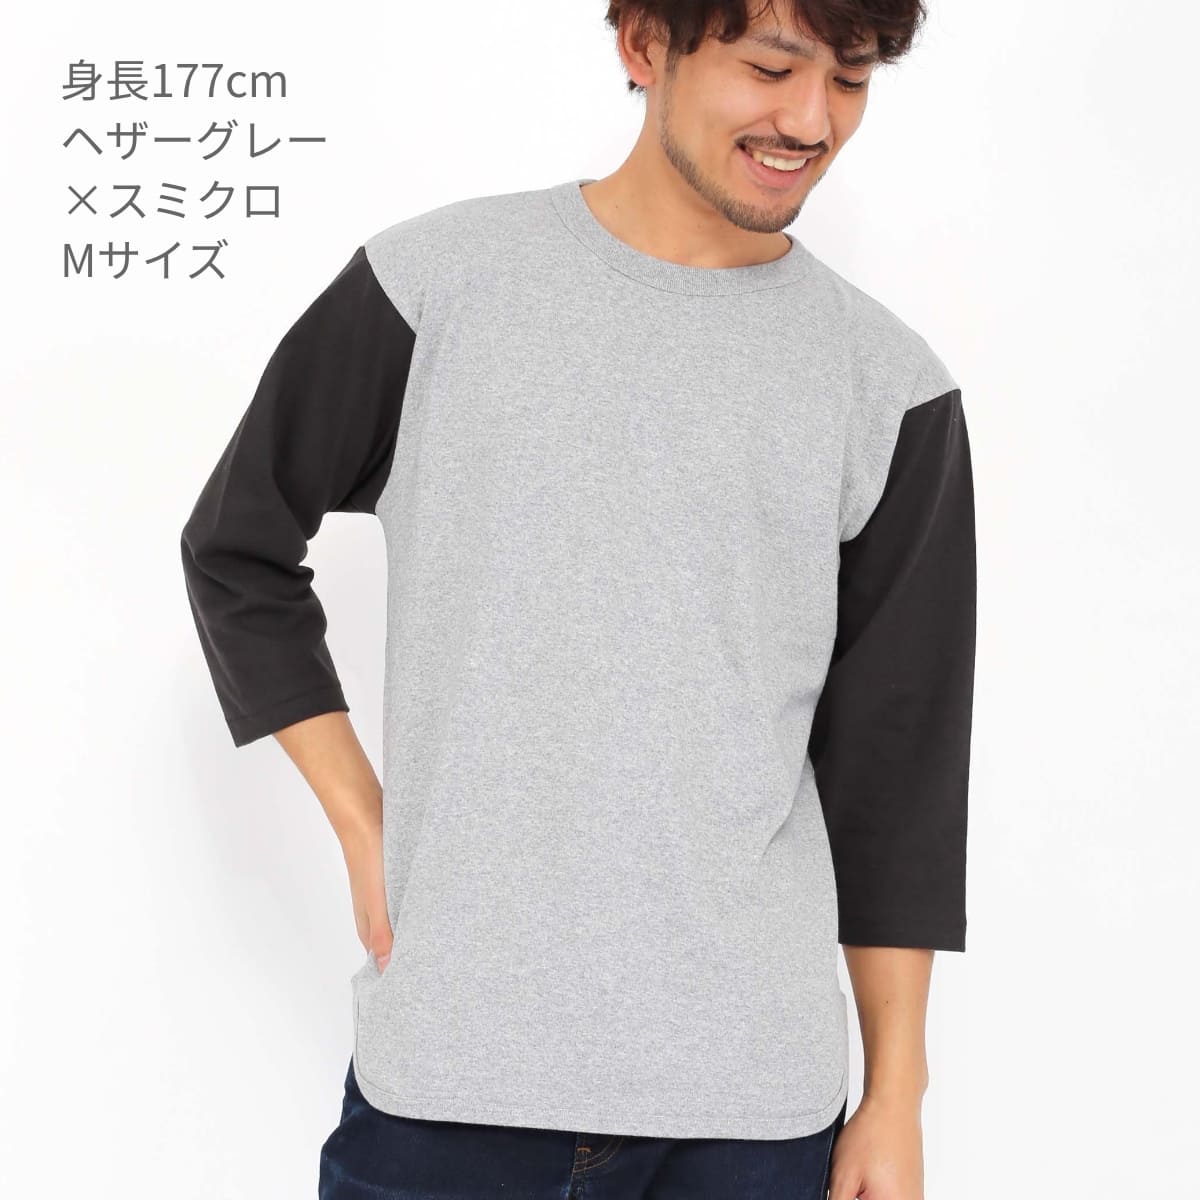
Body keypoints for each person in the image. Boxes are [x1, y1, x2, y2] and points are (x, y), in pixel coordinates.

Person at [180, 1, 975, 1196]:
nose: (810, 120)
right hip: (453, 1075)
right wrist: (362, 820)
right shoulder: (436, 287)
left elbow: (896, 774)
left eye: (850, 81)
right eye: (771, 68)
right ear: (646, 44)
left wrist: (896, 1096)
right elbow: (237, 547)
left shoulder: (890, 386)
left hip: (748, 1109)